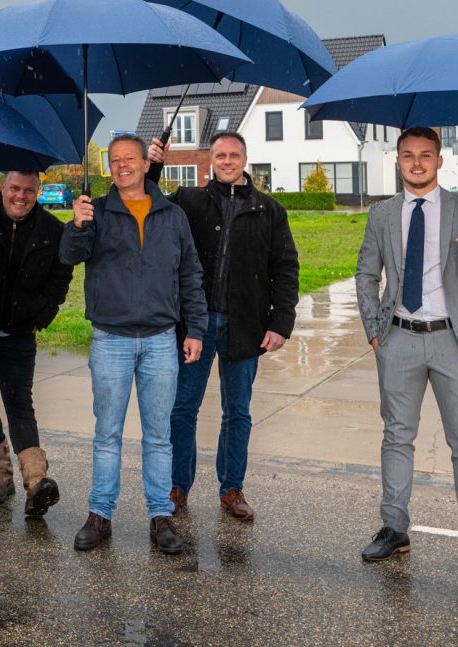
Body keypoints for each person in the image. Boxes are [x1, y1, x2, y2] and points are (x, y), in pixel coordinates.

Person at [355, 127, 458, 582]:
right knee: (396, 436)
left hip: (455, 341)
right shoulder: (382, 215)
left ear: (440, 161)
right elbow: (366, 274)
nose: (417, 163)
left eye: (426, 156)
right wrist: (374, 330)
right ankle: (394, 527)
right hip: (398, 338)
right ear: (398, 161)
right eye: (408, 156)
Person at [60, 135, 205, 556]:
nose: (122, 165)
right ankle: (99, 514)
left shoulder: (173, 215)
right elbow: (70, 256)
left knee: (159, 437)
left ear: (146, 164)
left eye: (130, 159)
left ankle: (161, 516)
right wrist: (77, 224)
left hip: (161, 340)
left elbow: (190, 276)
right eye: (115, 160)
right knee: (107, 434)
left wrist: (194, 329)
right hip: (112, 340)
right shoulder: (97, 211)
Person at [147, 131, 299, 521]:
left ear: (245, 158)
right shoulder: (189, 202)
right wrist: (155, 164)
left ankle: (231, 488)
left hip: (245, 324)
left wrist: (281, 321)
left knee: (238, 411)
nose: (227, 160)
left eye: (234, 154)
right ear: (210, 159)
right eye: (220, 155)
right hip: (195, 325)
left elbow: (285, 268)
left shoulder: (270, 210)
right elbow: (145, 201)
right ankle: (178, 486)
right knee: (183, 408)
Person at [0, 170, 74, 517]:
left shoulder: (53, 230)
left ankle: (36, 482)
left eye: (28, 190)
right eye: (14, 188)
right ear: (3, 188)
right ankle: (0, 478)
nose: (20, 196)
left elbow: (61, 278)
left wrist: (41, 317)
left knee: (19, 404)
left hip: (20, 331)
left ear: (37, 191)